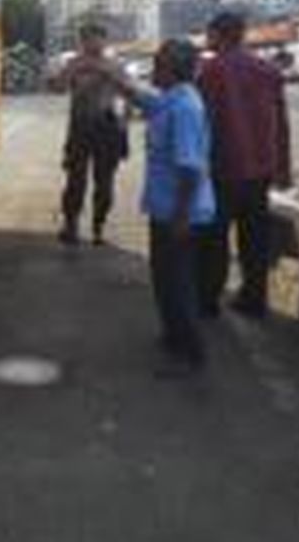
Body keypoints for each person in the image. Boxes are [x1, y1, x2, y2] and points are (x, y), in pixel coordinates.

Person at [100, 40, 217, 377]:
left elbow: (190, 168)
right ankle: (174, 338)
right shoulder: (170, 100)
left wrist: (180, 216)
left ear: (172, 69)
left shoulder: (185, 108)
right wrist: (112, 77)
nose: (153, 69)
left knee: (177, 282)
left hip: (180, 214)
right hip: (166, 209)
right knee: (165, 278)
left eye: (158, 63)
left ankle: (190, 352)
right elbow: (143, 99)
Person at [197, 12, 293, 319]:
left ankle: (209, 299)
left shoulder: (211, 70)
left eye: (209, 34)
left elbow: (205, 122)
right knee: (255, 240)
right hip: (261, 170)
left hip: (223, 168)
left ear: (218, 35)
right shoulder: (268, 70)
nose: (207, 39)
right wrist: (284, 168)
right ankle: (254, 299)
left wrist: (197, 165)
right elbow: (282, 123)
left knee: (214, 238)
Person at [55, 23, 129, 246]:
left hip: (107, 127)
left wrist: (108, 75)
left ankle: (99, 227)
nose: (92, 43)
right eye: (86, 39)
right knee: (75, 179)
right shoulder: (73, 63)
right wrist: (71, 72)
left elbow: (128, 93)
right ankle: (71, 225)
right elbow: (58, 88)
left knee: (104, 181)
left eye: (97, 38)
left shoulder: (114, 65)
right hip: (79, 126)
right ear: (81, 42)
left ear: (104, 41)